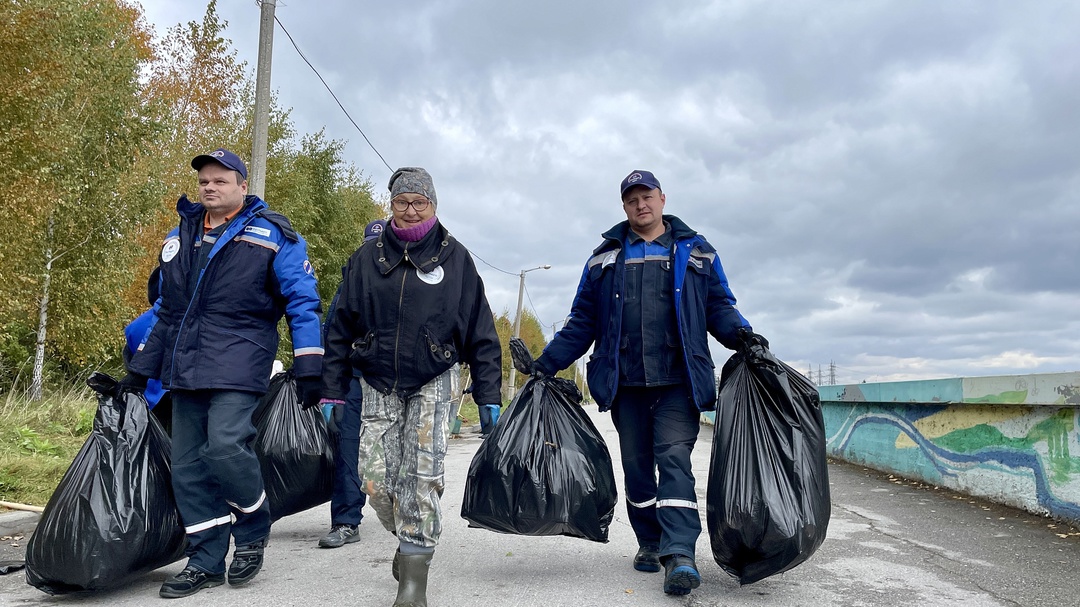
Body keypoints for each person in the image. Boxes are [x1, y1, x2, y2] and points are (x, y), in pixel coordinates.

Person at [531, 169, 768, 597]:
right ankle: (650, 542)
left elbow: (719, 307)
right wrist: (545, 364)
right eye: (632, 199)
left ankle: (680, 554)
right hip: (626, 383)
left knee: (674, 459)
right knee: (638, 469)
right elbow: (582, 322)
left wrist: (744, 336)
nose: (641, 205)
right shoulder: (603, 258)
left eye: (647, 197)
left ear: (662, 198)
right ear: (624, 207)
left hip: (679, 381)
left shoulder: (697, 252)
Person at [123, 148, 324, 599]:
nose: (209, 187)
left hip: (241, 358)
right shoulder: (182, 235)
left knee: (226, 447)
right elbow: (168, 311)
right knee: (188, 465)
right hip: (185, 364)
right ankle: (206, 558)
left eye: (220, 180)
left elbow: (303, 301)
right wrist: (140, 372)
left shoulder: (274, 234)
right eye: (204, 182)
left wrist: (311, 362)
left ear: (242, 187)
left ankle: (253, 527)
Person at [321, 167, 502, 607]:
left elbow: (481, 331)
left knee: (423, 476)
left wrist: (489, 394)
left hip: (434, 378)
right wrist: (331, 388)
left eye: (419, 201)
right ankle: (409, 539)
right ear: (391, 205)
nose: (410, 209)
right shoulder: (366, 258)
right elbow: (339, 327)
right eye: (402, 201)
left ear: (434, 205)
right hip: (378, 379)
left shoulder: (456, 258)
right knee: (376, 479)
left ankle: (414, 578)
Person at [316, 219, 385, 549]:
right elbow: (333, 333)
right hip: (355, 382)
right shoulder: (350, 283)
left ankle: (407, 515)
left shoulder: (412, 281)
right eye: (368, 243)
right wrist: (329, 388)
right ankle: (345, 521)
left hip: (395, 384)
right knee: (348, 451)